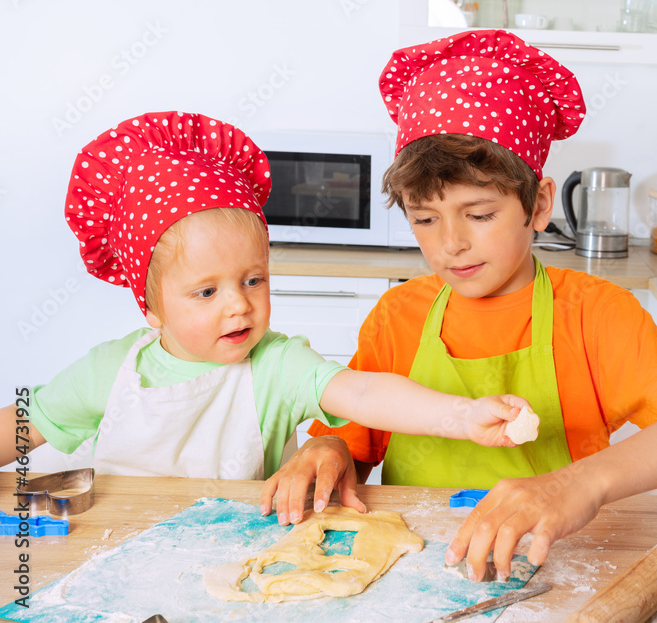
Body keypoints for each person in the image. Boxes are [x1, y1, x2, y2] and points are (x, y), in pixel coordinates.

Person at [262, 29, 657, 581]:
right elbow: (353, 438)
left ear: (538, 204)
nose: (451, 244)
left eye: (480, 214)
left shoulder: (594, 313)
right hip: (414, 568)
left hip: (552, 568)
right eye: (425, 218)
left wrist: (577, 485)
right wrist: (326, 451)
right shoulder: (399, 315)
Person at [0, 111, 529, 520]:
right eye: (206, 292)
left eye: (254, 280)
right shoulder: (109, 372)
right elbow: (21, 427)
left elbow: (366, 395)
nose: (239, 304)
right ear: (152, 306)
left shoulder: (277, 364)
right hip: (114, 547)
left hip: (239, 557)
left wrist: (462, 416)